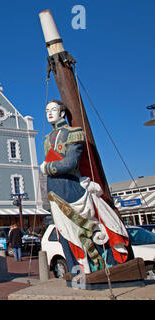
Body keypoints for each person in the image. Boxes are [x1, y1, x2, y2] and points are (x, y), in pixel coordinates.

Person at [40, 100, 129, 275]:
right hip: (55, 192)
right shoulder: (47, 139)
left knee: (86, 228)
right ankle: (78, 271)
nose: (50, 113)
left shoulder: (73, 133)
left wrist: (47, 168)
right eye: (47, 110)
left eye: (54, 109)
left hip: (72, 189)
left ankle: (98, 267)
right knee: (66, 235)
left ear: (63, 113)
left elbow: (70, 163)